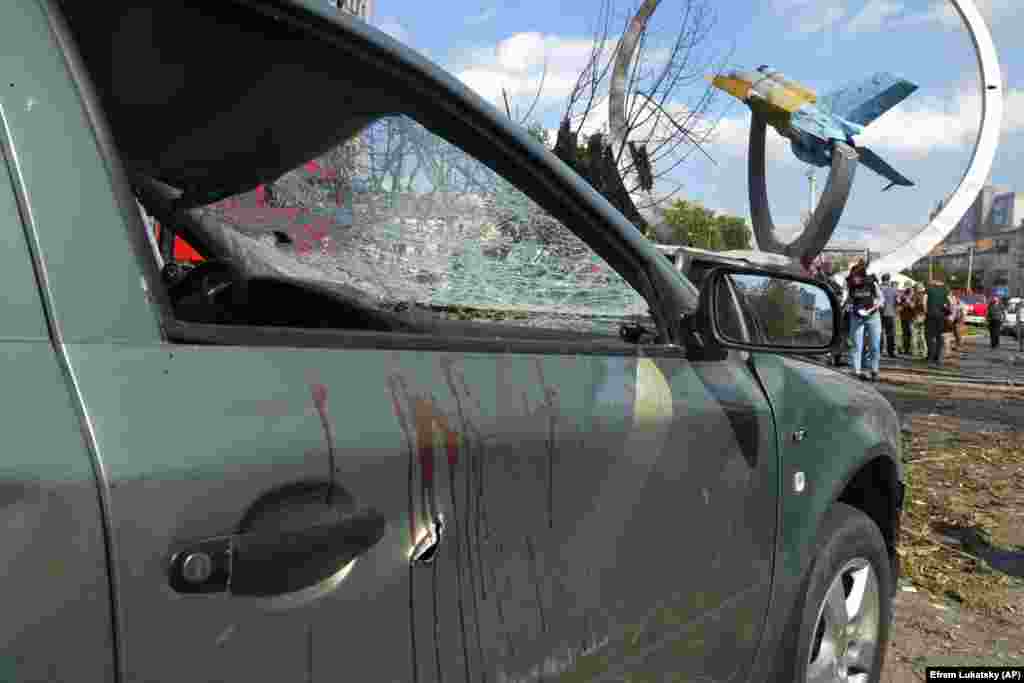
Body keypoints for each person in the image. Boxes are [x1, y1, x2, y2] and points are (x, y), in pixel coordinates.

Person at [843, 259, 882, 381]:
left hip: (873, 316)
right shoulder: (849, 284)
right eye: (853, 277)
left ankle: (874, 370)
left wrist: (873, 308)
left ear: (863, 277)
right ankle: (856, 371)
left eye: (857, 277)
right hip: (856, 316)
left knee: (874, 345)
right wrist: (846, 306)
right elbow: (847, 298)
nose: (855, 280)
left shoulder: (871, 283)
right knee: (856, 344)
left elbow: (881, 299)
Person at [924, 277, 950, 366]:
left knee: (929, 337)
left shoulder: (929, 290)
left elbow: (924, 301)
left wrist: (926, 311)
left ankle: (930, 357)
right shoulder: (945, 290)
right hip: (941, 316)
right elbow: (950, 303)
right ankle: (938, 358)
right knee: (939, 337)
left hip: (930, 316)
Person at [879, 274, 898, 358]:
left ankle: (879, 350)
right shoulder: (893, 290)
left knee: (880, 332)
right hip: (891, 313)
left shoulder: (878, 288)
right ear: (889, 280)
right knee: (890, 333)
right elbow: (897, 301)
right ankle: (891, 352)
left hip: (879, 313)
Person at [897, 286, 916, 354]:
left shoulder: (914, 298)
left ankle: (912, 349)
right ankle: (906, 349)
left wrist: (909, 302)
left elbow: (913, 306)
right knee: (905, 334)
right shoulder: (902, 298)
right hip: (904, 318)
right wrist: (904, 303)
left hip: (911, 318)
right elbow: (899, 308)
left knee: (912, 334)